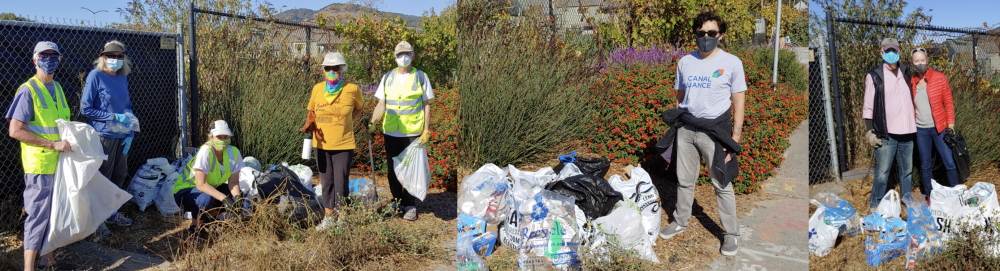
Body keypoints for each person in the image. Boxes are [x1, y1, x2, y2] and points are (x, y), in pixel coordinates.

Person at [658, 12, 746, 256]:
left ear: (720, 35)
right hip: (686, 130)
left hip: (716, 132)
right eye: (701, 34)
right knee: (685, 180)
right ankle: (680, 221)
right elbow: (680, 98)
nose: (705, 38)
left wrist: (734, 139)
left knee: (722, 183)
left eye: (711, 33)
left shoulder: (731, 63)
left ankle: (731, 234)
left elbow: (739, 103)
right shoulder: (685, 62)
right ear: (695, 35)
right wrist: (678, 123)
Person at [7, 41, 74, 271]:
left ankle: (48, 259)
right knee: (37, 216)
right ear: (35, 60)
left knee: (54, 213)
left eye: (53, 55)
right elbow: (15, 130)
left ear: (60, 60)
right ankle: (29, 268)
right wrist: (53, 145)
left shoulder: (59, 89)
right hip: (40, 165)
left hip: (61, 165)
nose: (49, 59)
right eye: (44, 55)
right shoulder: (28, 90)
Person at [365, 41, 434, 221]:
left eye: (407, 53)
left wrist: (426, 129)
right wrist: (373, 123)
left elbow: (426, 104)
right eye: (400, 54)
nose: (403, 57)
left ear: (412, 56)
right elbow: (381, 103)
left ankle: (410, 204)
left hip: (412, 132)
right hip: (391, 131)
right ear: (395, 57)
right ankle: (397, 200)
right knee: (392, 169)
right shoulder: (388, 77)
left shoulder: (420, 76)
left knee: (411, 170)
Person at [300, 52, 364, 230]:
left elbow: (359, 107)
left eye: (335, 68)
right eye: (328, 68)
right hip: (320, 144)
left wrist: (348, 120)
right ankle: (329, 217)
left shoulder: (352, 89)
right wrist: (309, 125)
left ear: (342, 69)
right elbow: (311, 111)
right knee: (326, 181)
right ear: (323, 70)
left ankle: (342, 219)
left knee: (341, 181)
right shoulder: (317, 89)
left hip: (343, 143)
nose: (331, 71)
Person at [80, 40, 136, 237]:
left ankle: (112, 212)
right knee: (102, 178)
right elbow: (85, 108)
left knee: (119, 175)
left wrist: (129, 129)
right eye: (111, 55)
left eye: (119, 56)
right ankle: (98, 221)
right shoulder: (96, 76)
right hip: (103, 136)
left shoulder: (122, 77)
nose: (115, 59)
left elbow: (127, 106)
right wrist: (112, 117)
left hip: (122, 136)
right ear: (103, 57)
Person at [172, 120, 250, 238]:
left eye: (226, 136)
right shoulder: (206, 151)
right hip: (186, 191)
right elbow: (201, 185)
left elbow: (233, 182)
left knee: (240, 197)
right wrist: (224, 199)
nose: (223, 140)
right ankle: (195, 230)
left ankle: (213, 218)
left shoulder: (234, 152)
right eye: (219, 137)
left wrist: (237, 197)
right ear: (211, 137)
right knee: (206, 199)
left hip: (210, 187)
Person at [864, 38, 916, 210]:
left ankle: (907, 203)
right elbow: (868, 105)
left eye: (894, 50)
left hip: (908, 132)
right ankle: (875, 205)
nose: (891, 54)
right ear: (882, 52)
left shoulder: (906, 72)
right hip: (886, 133)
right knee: (882, 172)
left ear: (899, 52)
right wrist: (870, 131)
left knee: (906, 172)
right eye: (888, 51)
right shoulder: (874, 75)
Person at [909, 48, 958, 197]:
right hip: (921, 130)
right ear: (912, 63)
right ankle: (930, 196)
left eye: (922, 60)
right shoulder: (911, 82)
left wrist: (950, 124)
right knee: (925, 165)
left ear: (927, 61)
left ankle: (956, 194)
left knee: (948, 161)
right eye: (916, 61)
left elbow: (948, 102)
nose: (920, 63)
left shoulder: (939, 78)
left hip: (940, 128)